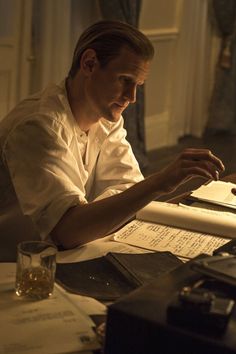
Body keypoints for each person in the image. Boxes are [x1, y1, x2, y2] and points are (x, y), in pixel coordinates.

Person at [0, 20, 224, 254]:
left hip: (58, 257)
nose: (132, 96)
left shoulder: (106, 119)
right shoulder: (38, 126)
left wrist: (197, 202)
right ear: (89, 64)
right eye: (125, 80)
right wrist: (161, 182)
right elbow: (66, 231)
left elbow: (128, 194)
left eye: (138, 84)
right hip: (13, 266)